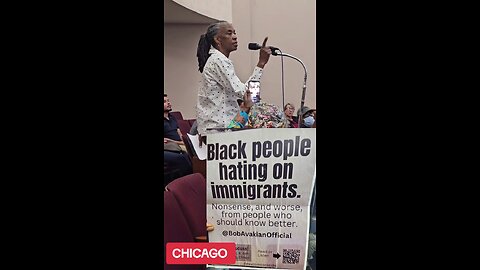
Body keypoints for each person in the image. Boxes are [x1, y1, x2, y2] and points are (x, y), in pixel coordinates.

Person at [195, 21, 272, 142]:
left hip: (222, 129)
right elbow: (247, 93)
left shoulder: (218, 60)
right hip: (218, 131)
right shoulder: (218, 60)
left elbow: (251, 98)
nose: (235, 36)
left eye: (235, 33)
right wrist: (261, 64)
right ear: (218, 39)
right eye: (229, 33)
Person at [164, 94, 192, 184]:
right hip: (170, 145)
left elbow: (179, 133)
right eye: (165, 102)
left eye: (168, 101)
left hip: (179, 143)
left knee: (194, 152)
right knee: (183, 157)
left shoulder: (172, 118)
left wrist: (184, 140)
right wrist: (178, 142)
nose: (168, 103)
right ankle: (184, 183)